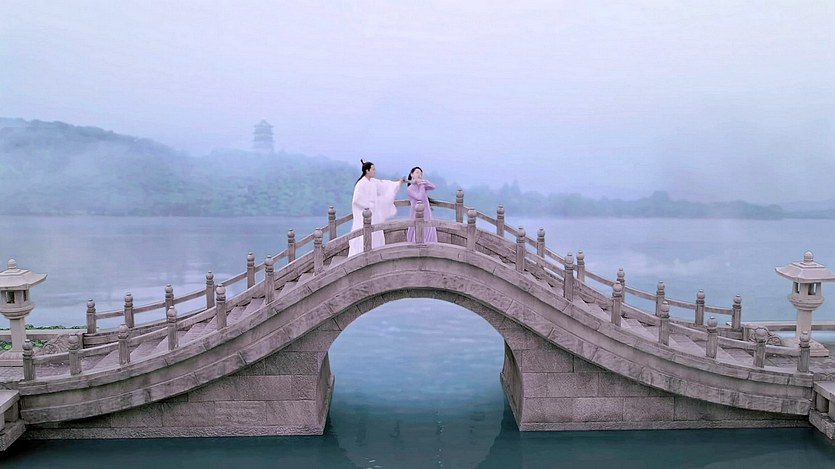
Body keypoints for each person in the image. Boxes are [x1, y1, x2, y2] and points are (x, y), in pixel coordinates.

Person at [348, 160, 404, 256]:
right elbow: (356, 200)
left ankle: (376, 254)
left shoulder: (374, 182)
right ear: (367, 170)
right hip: (364, 215)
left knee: (376, 233)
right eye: (373, 169)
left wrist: (398, 183)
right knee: (363, 234)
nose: (374, 171)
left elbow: (385, 185)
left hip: (374, 214)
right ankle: (361, 254)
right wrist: (368, 206)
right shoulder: (360, 184)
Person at [406, 166, 438, 243]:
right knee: (416, 227)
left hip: (426, 211)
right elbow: (419, 197)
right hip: (416, 212)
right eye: (417, 172)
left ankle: (429, 244)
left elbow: (433, 187)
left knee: (428, 227)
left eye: (420, 173)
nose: (419, 175)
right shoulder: (410, 188)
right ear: (412, 174)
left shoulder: (422, 185)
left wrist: (423, 182)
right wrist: (421, 186)